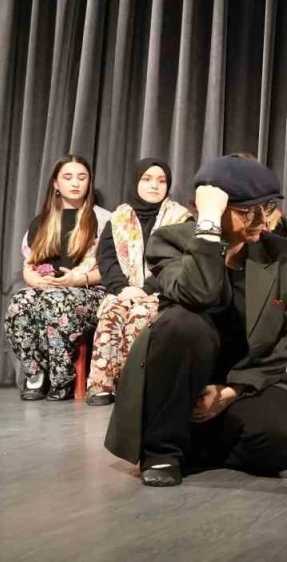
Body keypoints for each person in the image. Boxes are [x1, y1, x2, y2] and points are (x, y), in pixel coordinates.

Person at [105, 155, 287, 487]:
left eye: (267, 207)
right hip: (180, 382)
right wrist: (210, 225)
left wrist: (230, 391)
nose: (261, 220)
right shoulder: (171, 241)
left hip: (244, 381)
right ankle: (162, 450)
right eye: (247, 211)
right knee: (183, 323)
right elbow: (198, 293)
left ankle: (199, 445)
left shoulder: (285, 256)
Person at [85, 159, 194, 405]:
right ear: (136, 182)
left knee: (140, 315)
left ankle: (132, 385)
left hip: (163, 291)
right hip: (124, 291)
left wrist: (146, 289)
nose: (154, 186)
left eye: (161, 181)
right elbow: (107, 259)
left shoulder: (181, 219)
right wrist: (123, 289)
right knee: (112, 312)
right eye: (147, 179)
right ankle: (102, 386)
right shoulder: (119, 218)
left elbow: (179, 262)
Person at [4, 155, 111, 401]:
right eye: (68, 177)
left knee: (55, 301)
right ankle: (35, 374)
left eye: (82, 177)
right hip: (48, 289)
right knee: (20, 302)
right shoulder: (42, 221)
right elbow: (29, 265)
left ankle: (62, 378)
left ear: (89, 182)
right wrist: (36, 281)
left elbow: (111, 270)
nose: (75, 183)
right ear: (55, 183)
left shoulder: (104, 219)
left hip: (91, 291)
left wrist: (76, 280)